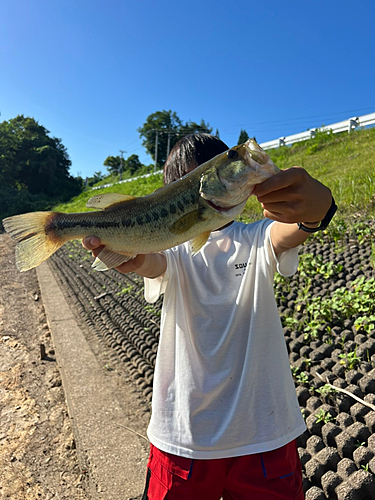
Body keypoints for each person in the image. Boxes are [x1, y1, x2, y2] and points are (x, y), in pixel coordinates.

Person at [83, 134, 334, 500]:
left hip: (264, 432)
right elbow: (148, 262)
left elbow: (295, 228)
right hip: (182, 435)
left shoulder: (257, 238)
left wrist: (319, 207)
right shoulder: (174, 251)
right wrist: (124, 253)